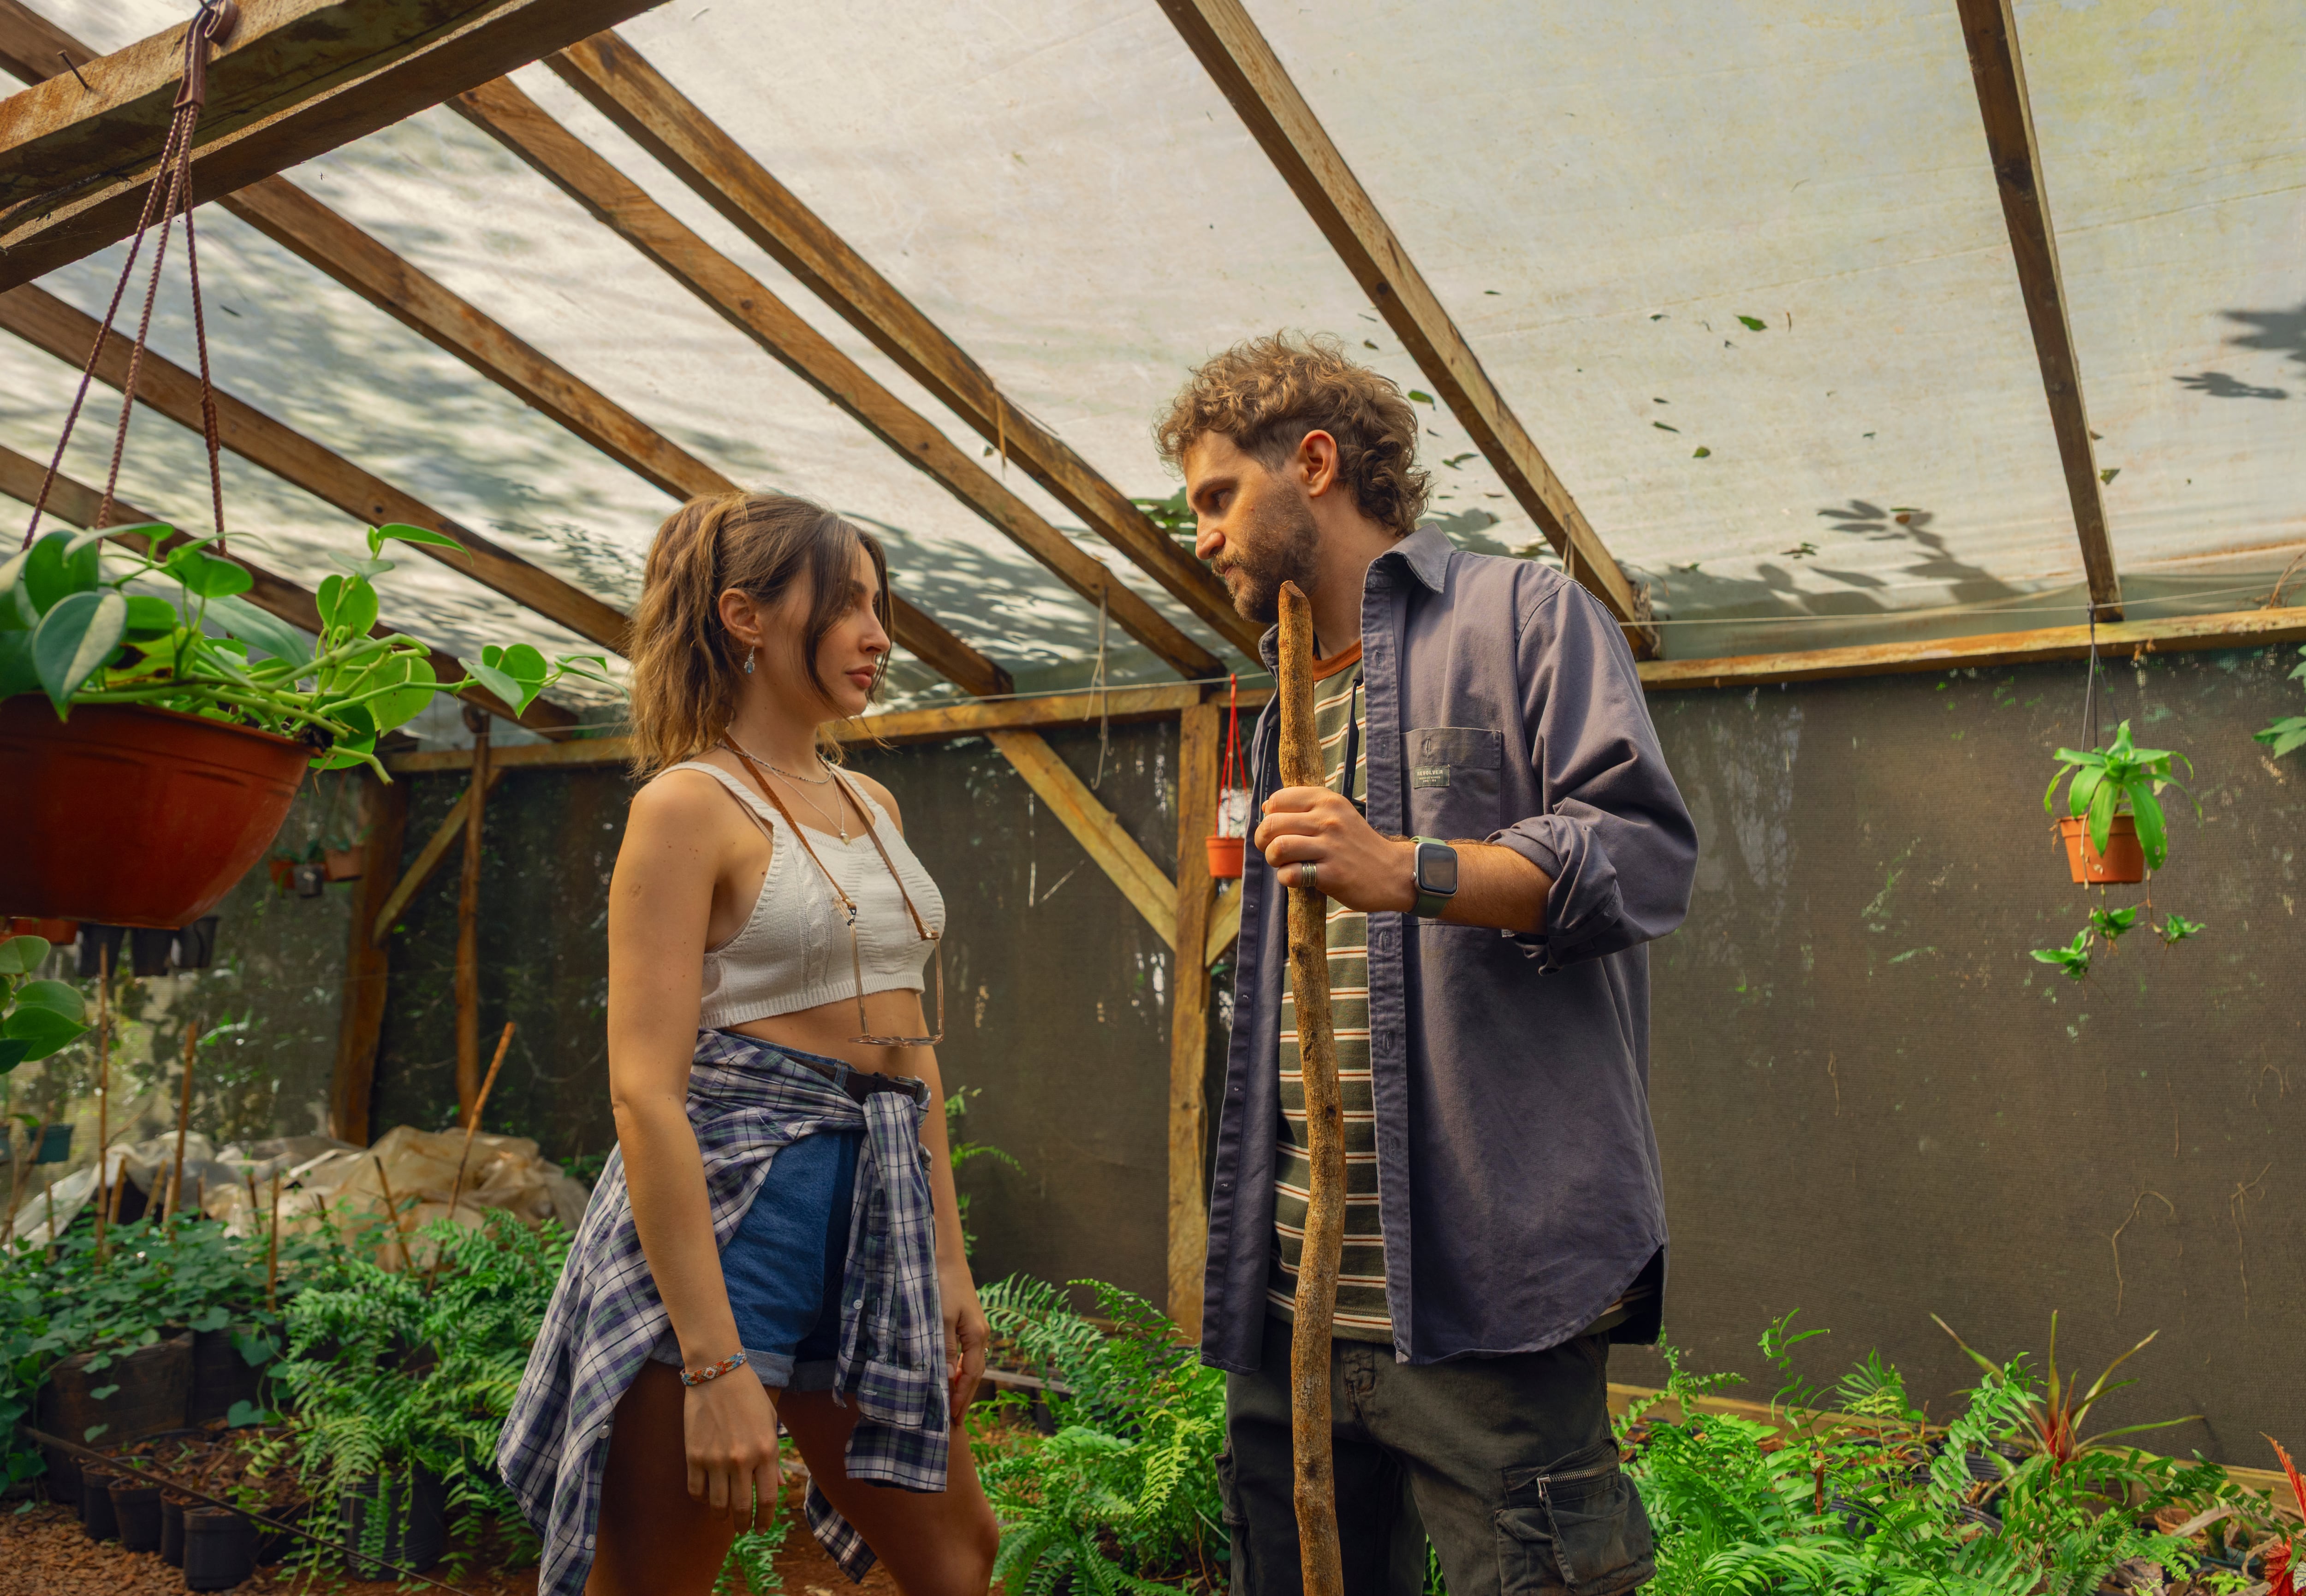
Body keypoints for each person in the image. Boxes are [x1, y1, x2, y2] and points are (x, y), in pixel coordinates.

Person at [1159, 334, 1697, 1596]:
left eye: (1216, 495)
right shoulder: (1281, 699)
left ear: (1315, 461)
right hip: (1289, 1302)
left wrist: (1412, 867)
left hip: (1485, 1299)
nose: (1203, 536)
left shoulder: (1526, 617)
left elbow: (1641, 855)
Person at [499, 492, 999, 1596]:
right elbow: (645, 1094)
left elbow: (910, 1055)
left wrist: (948, 1260)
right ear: (748, 616)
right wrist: (714, 1362)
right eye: (853, 605)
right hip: (734, 1207)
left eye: (883, 605)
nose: (881, 635)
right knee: (658, 1577)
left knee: (959, 1559)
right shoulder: (687, 805)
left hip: (875, 1207)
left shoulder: (872, 804)